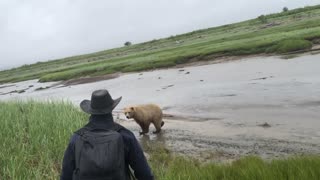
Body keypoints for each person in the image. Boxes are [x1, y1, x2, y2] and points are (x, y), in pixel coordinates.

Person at [60, 89, 154, 180]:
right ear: (111, 109)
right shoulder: (125, 135)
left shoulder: (76, 138)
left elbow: (66, 175)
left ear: (91, 111)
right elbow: (145, 174)